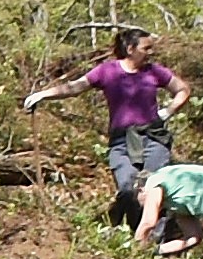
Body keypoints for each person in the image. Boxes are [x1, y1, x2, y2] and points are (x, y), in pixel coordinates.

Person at [19, 30, 178, 219]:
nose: (151, 52)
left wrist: (168, 111)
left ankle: (156, 238)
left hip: (153, 137)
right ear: (130, 49)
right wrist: (43, 94)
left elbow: (182, 89)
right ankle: (135, 232)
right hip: (122, 141)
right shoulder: (107, 71)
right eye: (146, 48)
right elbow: (75, 87)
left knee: (153, 186)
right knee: (127, 188)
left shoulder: (154, 71)